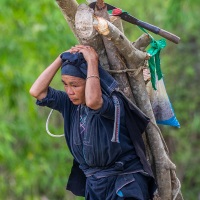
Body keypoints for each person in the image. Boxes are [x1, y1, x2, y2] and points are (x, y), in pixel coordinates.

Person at [30, 45, 157, 200]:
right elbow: (37, 91)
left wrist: (92, 61)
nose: (69, 91)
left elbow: (93, 101)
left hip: (124, 184)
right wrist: (61, 58)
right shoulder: (70, 105)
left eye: (75, 85)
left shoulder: (112, 104)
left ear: (91, 81)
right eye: (65, 84)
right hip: (95, 186)